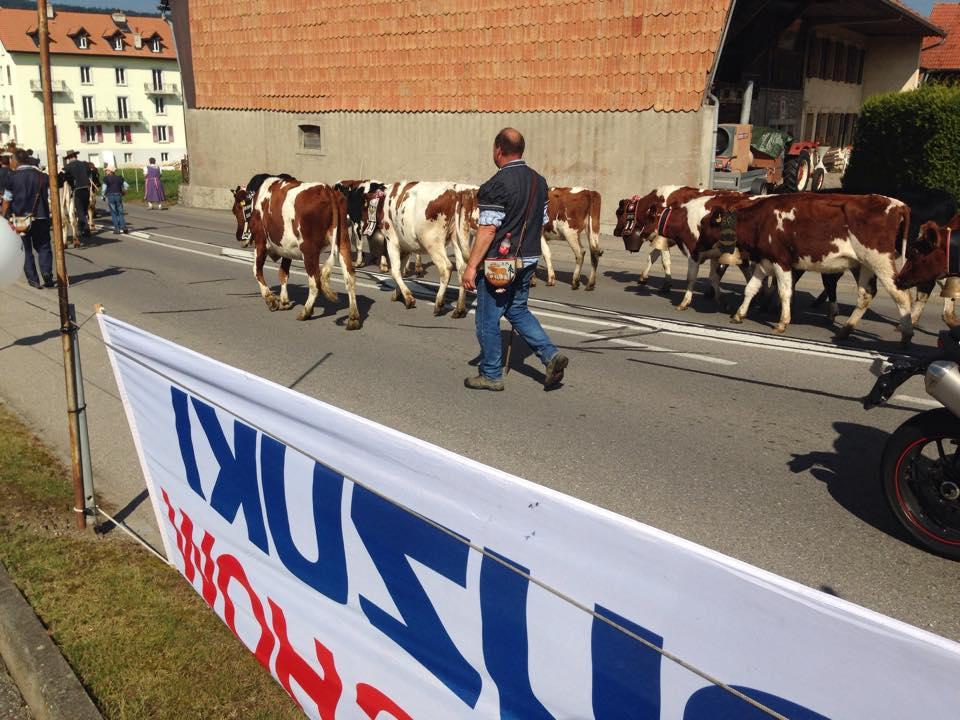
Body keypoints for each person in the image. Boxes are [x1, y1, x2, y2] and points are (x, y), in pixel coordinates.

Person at [461, 128, 569, 391]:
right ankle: (550, 355)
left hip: (500, 264)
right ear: (521, 150)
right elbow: (542, 222)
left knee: (487, 317)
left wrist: (472, 266)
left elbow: (487, 231)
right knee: (517, 309)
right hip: (530, 258)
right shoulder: (539, 182)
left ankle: (491, 374)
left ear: (498, 150)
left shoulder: (495, 185)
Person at [1, 149, 53, 289]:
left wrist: (3, 217)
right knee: (44, 246)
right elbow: (49, 197)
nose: (11, 162)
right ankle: (47, 273)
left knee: (26, 248)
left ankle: (33, 279)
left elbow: (7, 199)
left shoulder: (12, 177)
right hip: (41, 215)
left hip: (20, 218)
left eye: (11, 159)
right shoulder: (42, 176)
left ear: (16, 161)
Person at [62, 149, 92, 239]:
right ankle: (79, 229)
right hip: (86, 189)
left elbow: (65, 177)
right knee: (84, 210)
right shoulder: (83, 164)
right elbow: (89, 172)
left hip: (77, 189)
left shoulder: (68, 167)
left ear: (69, 158)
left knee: (80, 211)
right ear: (75, 156)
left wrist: (71, 184)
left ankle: (86, 229)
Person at [100, 167, 129, 234]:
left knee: (113, 212)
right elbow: (126, 185)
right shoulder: (119, 178)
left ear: (110, 171)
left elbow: (104, 189)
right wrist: (124, 192)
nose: (106, 172)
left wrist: (102, 196)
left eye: (106, 170)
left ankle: (117, 229)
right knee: (120, 212)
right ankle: (124, 227)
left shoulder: (106, 179)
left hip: (110, 196)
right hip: (118, 195)